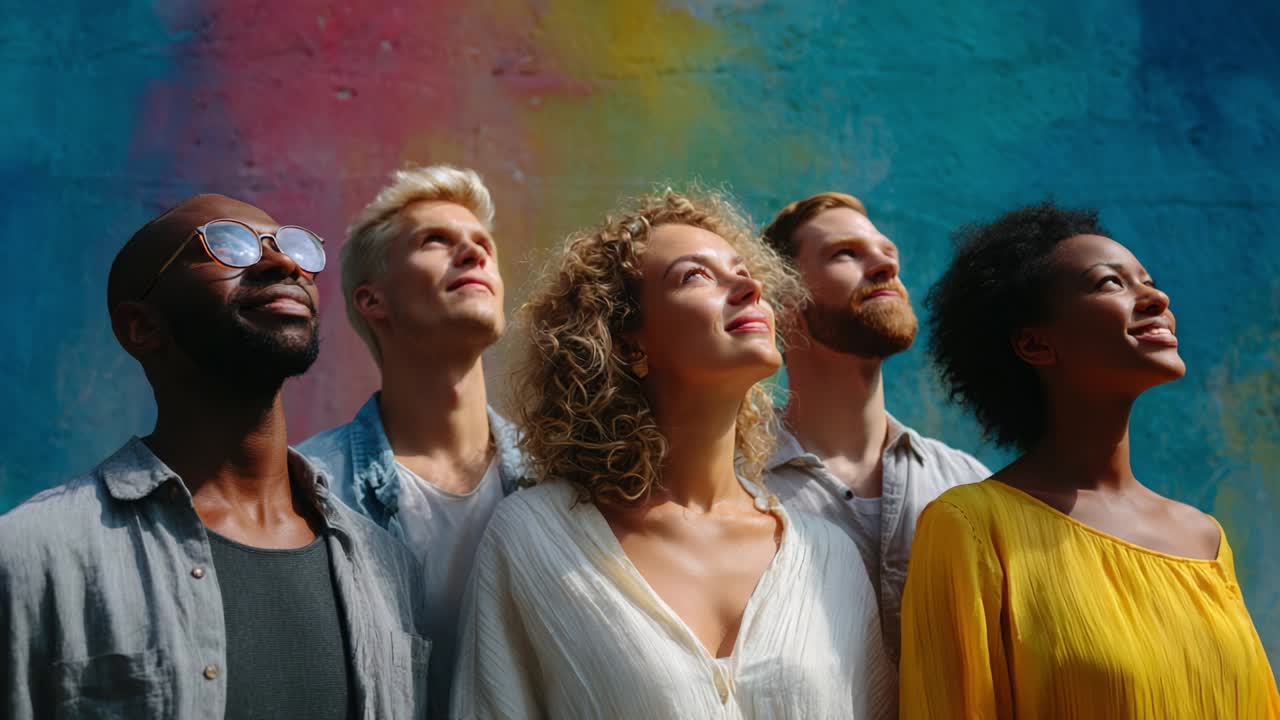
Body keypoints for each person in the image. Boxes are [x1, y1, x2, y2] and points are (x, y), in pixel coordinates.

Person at [451, 190, 894, 719]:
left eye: (743, 271)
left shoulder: (831, 558)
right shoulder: (533, 539)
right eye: (696, 276)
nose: (750, 286)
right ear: (626, 341)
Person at [0, 195, 430, 720]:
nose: (284, 263)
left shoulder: (387, 568)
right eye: (228, 245)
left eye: (293, 246)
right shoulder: (31, 559)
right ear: (142, 326)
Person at [900, 202, 1280, 718]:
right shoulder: (971, 528)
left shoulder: (1206, 539)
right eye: (1110, 283)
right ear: (1035, 343)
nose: (1157, 298)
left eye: (1147, 280)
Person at [299, 165, 526, 716]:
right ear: (372, 301)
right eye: (435, 241)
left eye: (483, 246)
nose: (474, 255)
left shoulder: (567, 480)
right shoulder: (306, 490)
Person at [760, 192, 989, 662]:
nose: (886, 267)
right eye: (846, 253)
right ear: (782, 300)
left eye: (888, 253)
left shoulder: (969, 484)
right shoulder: (735, 484)